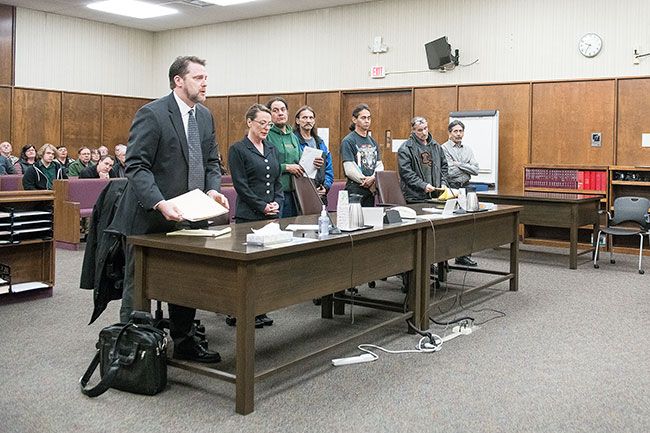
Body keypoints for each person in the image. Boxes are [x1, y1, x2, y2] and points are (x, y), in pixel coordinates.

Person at [111, 55, 228, 364]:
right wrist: (160, 202)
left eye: (206, 77)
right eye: (199, 77)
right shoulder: (152, 114)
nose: (205, 82)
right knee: (139, 284)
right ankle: (132, 350)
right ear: (179, 81)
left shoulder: (204, 116)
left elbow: (211, 162)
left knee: (185, 280)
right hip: (150, 216)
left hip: (191, 216)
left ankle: (185, 342)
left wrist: (213, 189)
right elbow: (136, 166)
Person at [228, 104, 283, 328]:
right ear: (249, 122)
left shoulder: (271, 148)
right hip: (248, 215)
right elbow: (241, 186)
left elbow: (277, 182)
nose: (266, 128)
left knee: (262, 267)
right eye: (262, 123)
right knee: (245, 269)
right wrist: (262, 206)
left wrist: (277, 203)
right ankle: (237, 312)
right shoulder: (238, 149)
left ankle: (258, 309)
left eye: (269, 124)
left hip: (269, 214)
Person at [442, 119, 480, 267]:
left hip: (466, 187)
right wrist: (466, 166)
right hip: (451, 187)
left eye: (460, 131)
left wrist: (459, 164)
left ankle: (463, 256)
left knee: (467, 223)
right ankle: (443, 258)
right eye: (455, 131)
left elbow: (476, 169)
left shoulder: (468, 149)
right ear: (449, 133)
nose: (458, 134)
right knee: (449, 224)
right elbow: (449, 171)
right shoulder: (443, 148)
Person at [265, 97, 303, 217]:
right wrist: (286, 167)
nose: (280, 113)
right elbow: (264, 165)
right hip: (275, 194)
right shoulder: (266, 135)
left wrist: (313, 162)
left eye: (283, 109)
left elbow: (299, 160)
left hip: (294, 193)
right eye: (275, 110)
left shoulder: (293, 136)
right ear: (269, 114)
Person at [340, 103, 383, 207]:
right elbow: (349, 168)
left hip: (370, 190)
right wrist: (365, 181)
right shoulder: (348, 141)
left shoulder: (373, 141)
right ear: (355, 120)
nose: (367, 121)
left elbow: (379, 165)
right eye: (363, 118)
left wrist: (373, 178)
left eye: (369, 118)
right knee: (355, 220)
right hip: (355, 188)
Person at [397, 116, 449, 203]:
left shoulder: (436, 146)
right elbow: (406, 173)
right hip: (415, 197)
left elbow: (444, 166)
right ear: (413, 131)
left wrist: (443, 183)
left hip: (435, 196)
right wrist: (423, 185)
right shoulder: (406, 148)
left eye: (425, 128)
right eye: (420, 130)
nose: (424, 132)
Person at [293, 106, 333, 205]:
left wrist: (326, 187)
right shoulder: (293, 141)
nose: (308, 121)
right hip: (300, 193)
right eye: (304, 118)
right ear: (297, 121)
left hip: (320, 193)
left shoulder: (320, 142)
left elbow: (328, 168)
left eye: (311, 118)